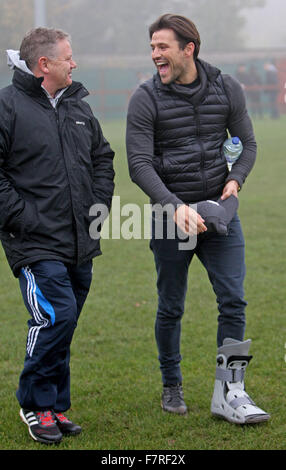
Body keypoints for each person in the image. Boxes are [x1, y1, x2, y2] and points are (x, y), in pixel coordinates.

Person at [126, 14, 270, 424]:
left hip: (219, 215)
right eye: (152, 47)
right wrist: (174, 206)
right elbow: (138, 164)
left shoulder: (227, 87)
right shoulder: (144, 98)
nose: (155, 55)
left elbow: (248, 145)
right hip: (170, 217)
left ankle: (230, 391)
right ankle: (171, 384)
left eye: (162, 47)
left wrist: (235, 182)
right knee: (171, 306)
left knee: (234, 299)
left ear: (189, 48)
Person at [0, 28, 115, 444]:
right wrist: (22, 217)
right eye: (69, 56)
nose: (75, 63)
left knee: (64, 324)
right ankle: (33, 405)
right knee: (55, 316)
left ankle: (54, 407)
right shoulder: (7, 105)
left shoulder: (78, 107)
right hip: (33, 241)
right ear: (44, 64)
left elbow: (103, 158)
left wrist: (97, 205)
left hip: (79, 239)